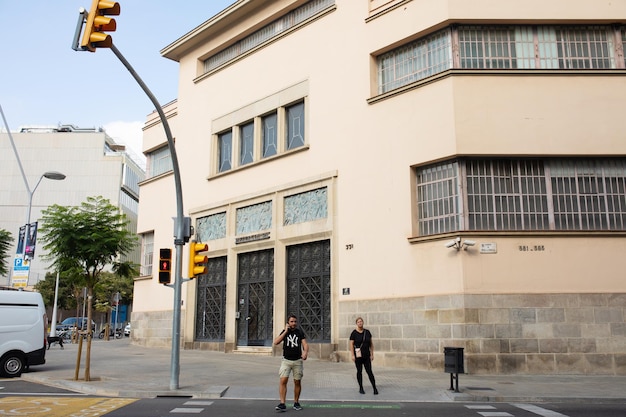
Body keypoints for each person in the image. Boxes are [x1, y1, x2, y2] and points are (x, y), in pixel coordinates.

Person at [274, 314, 309, 412]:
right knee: (283, 381)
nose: (294, 323)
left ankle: (296, 402)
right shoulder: (285, 332)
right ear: (288, 323)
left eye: (295, 322)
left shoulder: (299, 332)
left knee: (297, 381)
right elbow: (276, 342)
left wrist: (305, 352)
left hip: (297, 361)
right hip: (286, 361)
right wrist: (285, 331)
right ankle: (282, 403)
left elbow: (305, 344)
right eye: (292, 322)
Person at [349, 317, 378, 395]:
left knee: (369, 371)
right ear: (356, 323)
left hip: (366, 355)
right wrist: (352, 355)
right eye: (358, 322)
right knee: (359, 371)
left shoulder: (367, 332)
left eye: (361, 321)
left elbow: (371, 344)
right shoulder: (354, 333)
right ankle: (361, 387)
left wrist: (372, 354)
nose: (360, 323)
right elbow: (351, 344)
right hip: (358, 356)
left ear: (363, 322)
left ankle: (374, 387)